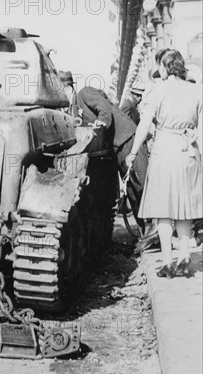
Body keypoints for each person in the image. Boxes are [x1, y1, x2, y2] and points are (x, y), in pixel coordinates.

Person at [58, 71, 158, 252]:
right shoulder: (72, 109)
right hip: (118, 146)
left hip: (128, 139)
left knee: (141, 186)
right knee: (133, 192)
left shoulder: (84, 93)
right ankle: (147, 235)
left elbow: (103, 108)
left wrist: (101, 122)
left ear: (67, 87)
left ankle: (156, 233)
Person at [126, 49, 202, 278]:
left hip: (164, 152)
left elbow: (144, 125)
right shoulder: (196, 89)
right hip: (188, 151)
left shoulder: (157, 90)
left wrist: (133, 152)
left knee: (164, 210)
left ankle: (168, 263)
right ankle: (185, 259)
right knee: (184, 209)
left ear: (164, 67)